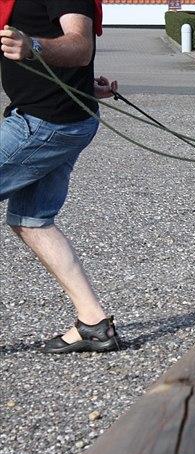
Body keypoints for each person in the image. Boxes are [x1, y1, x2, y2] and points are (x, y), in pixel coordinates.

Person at [0, 0, 121, 353]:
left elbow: (79, 45)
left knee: (33, 220)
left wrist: (32, 45)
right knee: (32, 220)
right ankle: (94, 323)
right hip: (57, 116)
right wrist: (83, 85)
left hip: (45, 124)